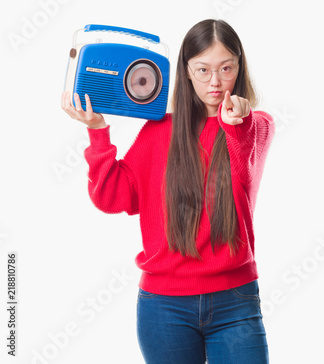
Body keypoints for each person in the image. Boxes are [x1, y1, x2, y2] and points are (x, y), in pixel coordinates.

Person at [61, 19, 275, 364]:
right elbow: (114, 197)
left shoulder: (256, 125)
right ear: (186, 72)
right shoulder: (160, 130)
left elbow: (243, 165)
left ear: (240, 67)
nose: (216, 81)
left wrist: (238, 122)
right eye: (203, 70)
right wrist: (98, 132)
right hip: (164, 307)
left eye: (226, 68)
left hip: (235, 301)